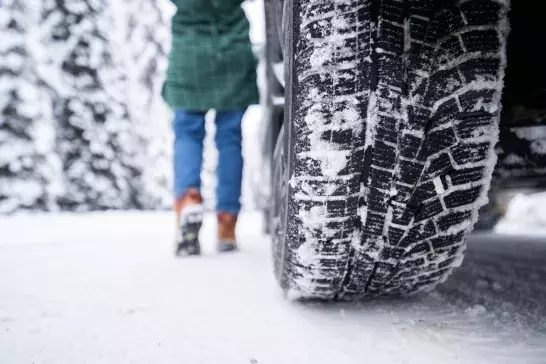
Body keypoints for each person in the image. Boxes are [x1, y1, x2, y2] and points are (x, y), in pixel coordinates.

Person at [163, 0, 259, 256]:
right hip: (233, 51)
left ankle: (188, 200)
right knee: (229, 138)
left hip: (189, 53)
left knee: (187, 132)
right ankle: (227, 223)